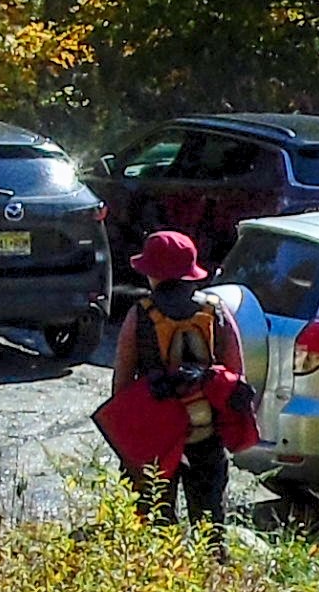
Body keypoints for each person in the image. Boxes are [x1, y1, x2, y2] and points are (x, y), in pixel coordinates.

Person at [105, 228, 251, 548]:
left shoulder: (139, 314)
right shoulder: (216, 310)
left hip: (157, 437)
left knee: (154, 525)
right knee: (210, 526)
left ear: (153, 274)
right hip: (206, 434)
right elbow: (235, 372)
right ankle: (214, 582)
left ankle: (162, 585)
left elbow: (122, 385)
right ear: (191, 273)